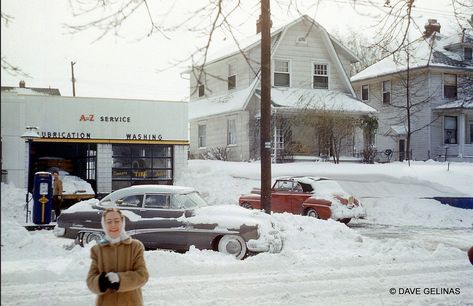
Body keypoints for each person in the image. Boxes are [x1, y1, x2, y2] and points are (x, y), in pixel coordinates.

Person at [87, 208, 149, 306]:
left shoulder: (135, 247)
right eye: (109, 222)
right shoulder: (97, 250)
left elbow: (143, 276)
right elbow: (90, 280)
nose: (113, 225)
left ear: (122, 223)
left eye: (117, 221)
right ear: (104, 225)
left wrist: (120, 279)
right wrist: (100, 282)